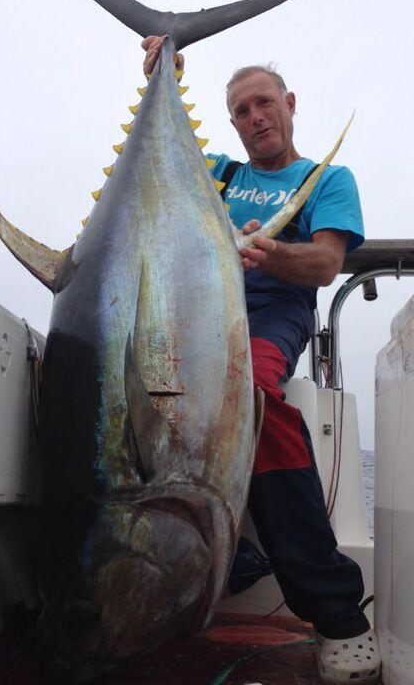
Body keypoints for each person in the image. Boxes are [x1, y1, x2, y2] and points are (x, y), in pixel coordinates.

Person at [142, 35, 381, 685]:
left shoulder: (325, 179)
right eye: (241, 110)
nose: (255, 118)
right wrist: (167, 69)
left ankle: (337, 615)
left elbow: (328, 265)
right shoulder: (217, 173)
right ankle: (231, 556)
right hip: (190, 314)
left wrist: (269, 252)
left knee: (245, 392)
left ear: (289, 104)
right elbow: (158, 158)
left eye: (264, 103)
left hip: (271, 314)